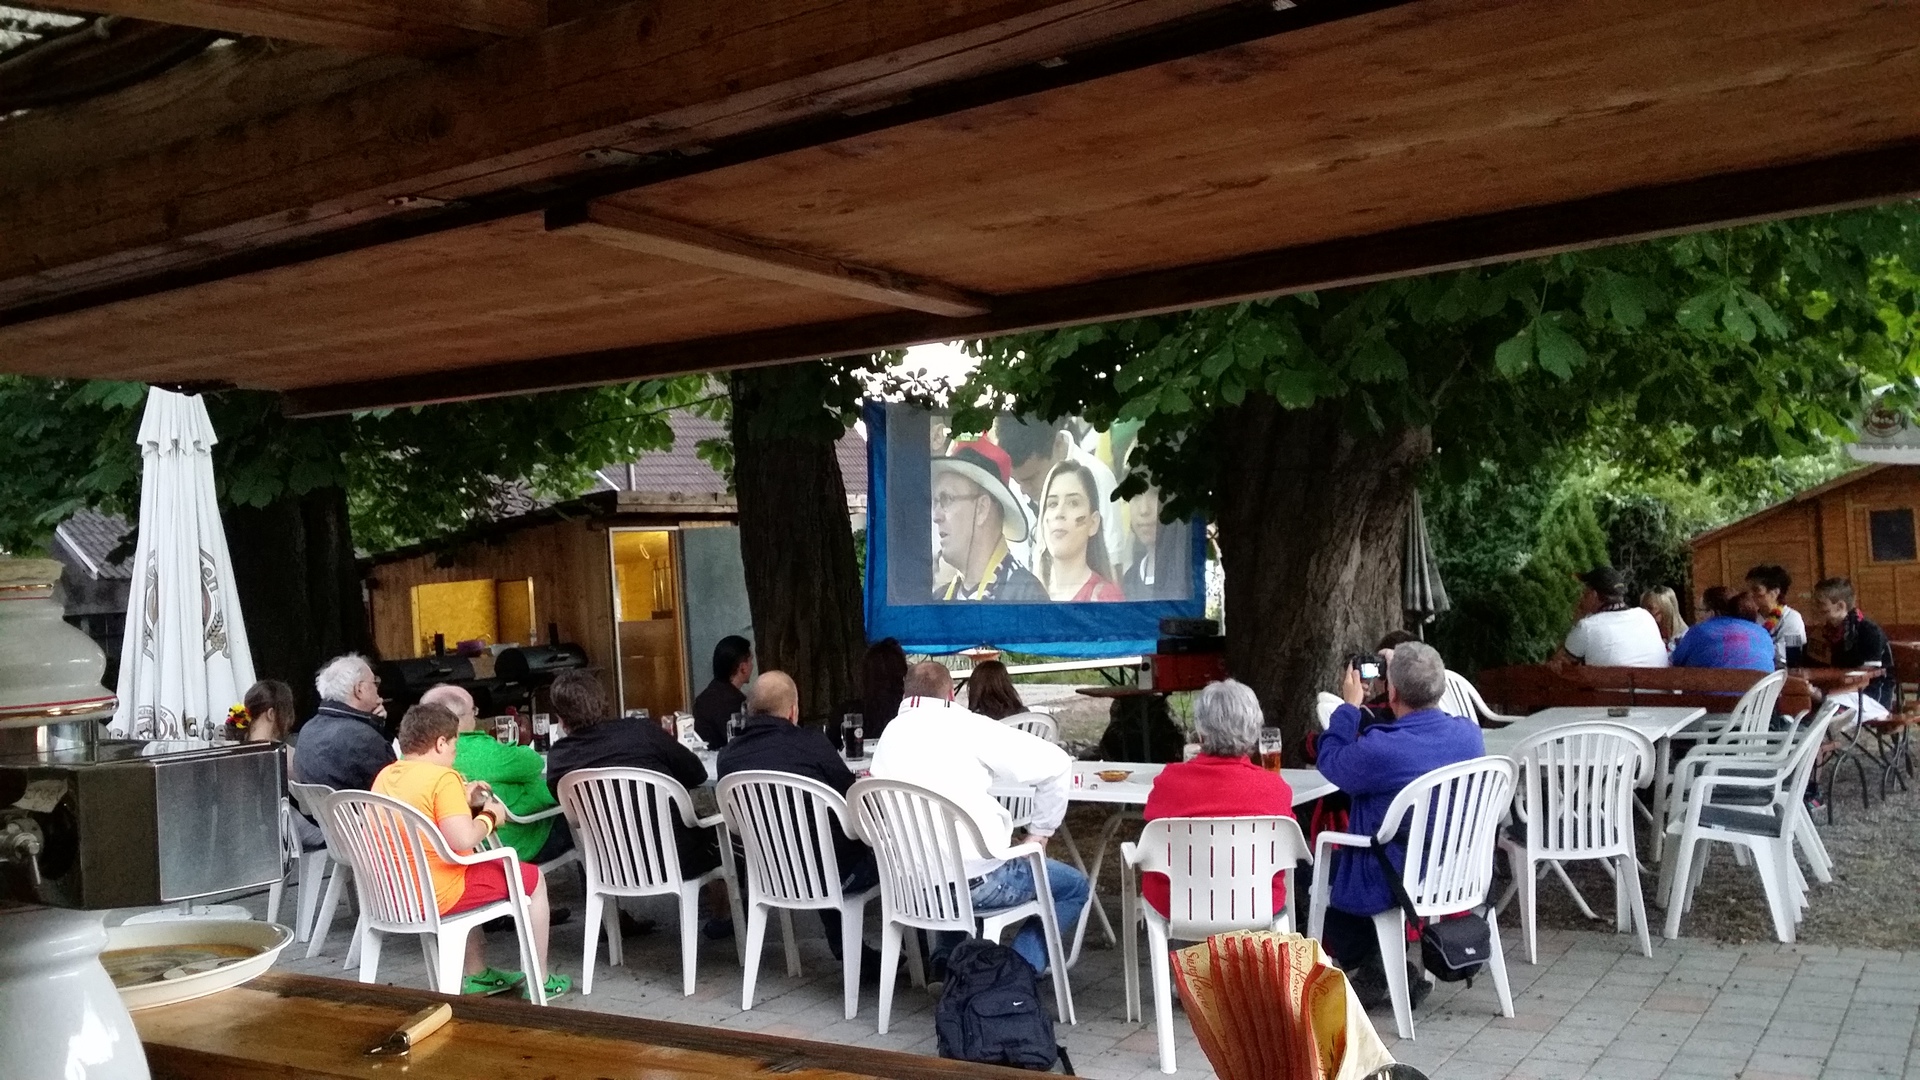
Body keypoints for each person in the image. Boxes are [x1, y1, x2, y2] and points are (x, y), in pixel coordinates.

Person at [870, 661, 1089, 975]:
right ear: (951, 694)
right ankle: (1017, 970)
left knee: (951, 856)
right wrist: (1038, 834)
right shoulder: (968, 727)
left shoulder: (889, 734)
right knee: (1073, 886)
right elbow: (1057, 764)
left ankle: (945, 964)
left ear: (905, 693)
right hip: (976, 886)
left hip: (910, 888)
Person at [1314, 641, 1485, 1010]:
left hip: (1395, 875)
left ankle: (1376, 967)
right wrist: (1406, 674)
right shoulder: (1469, 735)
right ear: (1441, 687)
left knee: (1313, 872)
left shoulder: (1382, 749)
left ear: (1391, 692)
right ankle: (1383, 970)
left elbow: (1330, 760)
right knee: (1342, 866)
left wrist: (1349, 707)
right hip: (1456, 869)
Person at [371, 702, 569, 999]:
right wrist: (490, 816)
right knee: (533, 879)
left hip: (395, 893)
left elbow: (423, 812)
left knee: (468, 866)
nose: (454, 755)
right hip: (439, 894)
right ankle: (540, 980)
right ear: (440, 743)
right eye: (454, 747)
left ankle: (478, 974)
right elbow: (463, 840)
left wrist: (462, 799)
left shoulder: (387, 775)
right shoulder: (443, 778)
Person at [716, 671, 884, 974]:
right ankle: (921, 953)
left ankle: (851, 952)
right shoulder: (812, 745)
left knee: (813, 844)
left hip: (770, 873)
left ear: (749, 710)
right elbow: (852, 798)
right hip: (834, 875)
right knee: (888, 852)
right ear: (793, 710)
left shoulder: (728, 757)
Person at [544, 670, 729, 933]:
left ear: (561, 720)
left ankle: (612, 922)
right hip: (674, 856)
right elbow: (696, 774)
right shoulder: (641, 732)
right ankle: (723, 916)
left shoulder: (559, 758)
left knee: (589, 832)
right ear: (604, 704)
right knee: (703, 824)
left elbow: (570, 809)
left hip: (606, 863)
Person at [1141, 679, 1294, 919]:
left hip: (1180, 905)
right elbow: (1286, 848)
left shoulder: (1169, 782)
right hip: (1257, 904)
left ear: (1201, 731)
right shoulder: (1275, 788)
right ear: (1254, 729)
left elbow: (1151, 828)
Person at [427, 684, 572, 868]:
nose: (475, 716)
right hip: (515, 846)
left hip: (455, 851)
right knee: (585, 814)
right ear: (457, 719)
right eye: (473, 710)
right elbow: (535, 763)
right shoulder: (482, 751)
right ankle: (597, 881)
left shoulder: (416, 755)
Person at [995, 414, 1126, 569]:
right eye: (1016, 480)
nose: (1023, 489)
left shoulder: (1098, 479)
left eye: (1031, 478)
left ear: (1057, 444)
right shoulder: (1012, 486)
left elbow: (1112, 565)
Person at [930, 439, 1046, 602]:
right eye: (935, 501)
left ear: (982, 509)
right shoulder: (938, 599)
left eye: (946, 499)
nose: (936, 516)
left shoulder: (1026, 597)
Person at [230, 679, 326, 851]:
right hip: (288, 834)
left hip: (249, 837)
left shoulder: (234, 751)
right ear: (271, 714)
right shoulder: (282, 754)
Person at [291, 654, 395, 792]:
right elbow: (395, 785)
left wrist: (374, 723)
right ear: (359, 690)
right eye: (374, 683)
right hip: (363, 806)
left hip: (319, 806)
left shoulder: (307, 730)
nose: (378, 690)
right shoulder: (363, 738)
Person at [1038, 460, 1125, 602]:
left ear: (1093, 523)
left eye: (1073, 503)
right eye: (1052, 504)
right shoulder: (1029, 595)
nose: (1059, 513)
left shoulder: (1106, 597)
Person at [1553, 567, 1670, 668]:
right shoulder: (1645, 617)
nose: (1581, 597)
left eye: (1585, 592)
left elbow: (1558, 665)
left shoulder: (1587, 627)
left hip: (1610, 688)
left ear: (1593, 595)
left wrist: (1578, 617)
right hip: (1657, 687)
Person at [1811, 577, 1894, 708]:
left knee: (1824, 708)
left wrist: (1825, 693)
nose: (1815, 609)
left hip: (1871, 693)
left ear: (1840, 606)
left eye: (1821, 604)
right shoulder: (1826, 632)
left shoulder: (1868, 630)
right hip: (1842, 688)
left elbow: (1867, 676)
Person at [1670, 587, 1775, 672]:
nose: (1698, 616)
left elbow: (1675, 662)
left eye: (1700, 610)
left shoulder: (1699, 631)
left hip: (1713, 692)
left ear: (1712, 613)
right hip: (1762, 692)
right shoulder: (1762, 632)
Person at [693, 635, 753, 749]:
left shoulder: (705, 696)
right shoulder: (735, 702)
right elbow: (743, 745)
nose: (752, 665)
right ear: (743, 668)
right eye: (751, 660)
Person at [1746, 564, 1809, 667]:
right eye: (1748, 590)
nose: (1750, 595)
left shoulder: (1792, 618)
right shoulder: (1749, 617)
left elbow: (1791, 654)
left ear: (1774, 593)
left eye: (1756, 590)